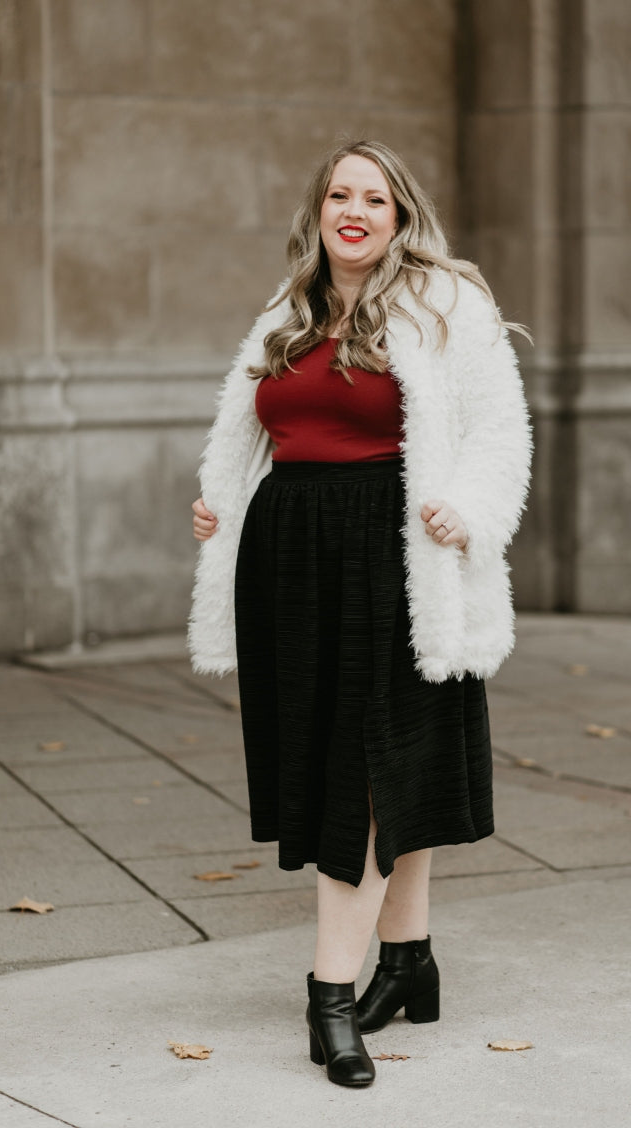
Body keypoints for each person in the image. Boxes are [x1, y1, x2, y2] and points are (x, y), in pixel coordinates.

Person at [188, 140, 532, 1089]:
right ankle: (410, 961)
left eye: (373, 198)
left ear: (400, 214)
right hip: (292, 559)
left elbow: (501, 427)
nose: (354, 210)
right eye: (339, 193)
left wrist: (466, 510)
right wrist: (221, 501)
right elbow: (255, 427)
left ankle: (330, 998)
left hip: (397, 553)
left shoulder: (445, 303)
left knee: (366, 777)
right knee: (348, 761)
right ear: (320, 209)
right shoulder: (289, 310)